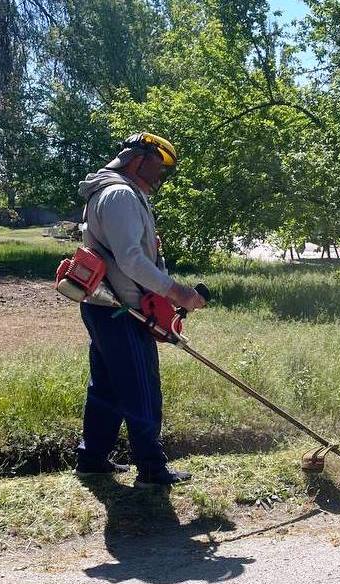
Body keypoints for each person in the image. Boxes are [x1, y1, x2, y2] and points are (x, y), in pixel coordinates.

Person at [74, 132, 206, 486]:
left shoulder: (110, 192)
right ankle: (151, 468)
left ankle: (92, 458)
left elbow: (128, 251)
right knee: (141, 387)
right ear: (137, 160)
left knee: (107, 386)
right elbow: (131, 260)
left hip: (105, 306)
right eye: (158, 166)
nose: (161, 176)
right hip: (123, 310)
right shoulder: (119, 194)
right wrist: (177, 292)